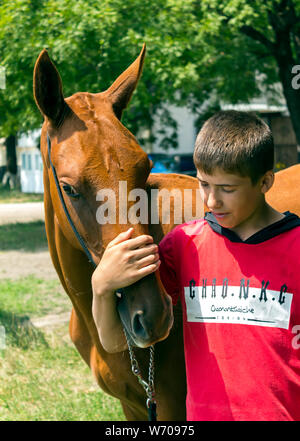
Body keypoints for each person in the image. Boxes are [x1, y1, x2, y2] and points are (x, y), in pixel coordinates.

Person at [91, 110, 300, 421]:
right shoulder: (183, 246)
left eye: (227, 189)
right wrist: (102, 286)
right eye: (204, 184)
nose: (212, 201)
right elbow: (114, 341)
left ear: (265, 181)